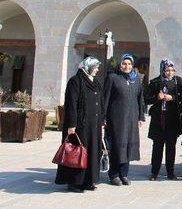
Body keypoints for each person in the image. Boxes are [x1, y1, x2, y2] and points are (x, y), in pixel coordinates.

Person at [55, 57, 103, 193]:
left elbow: (101, 103)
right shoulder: (75, 81)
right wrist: (71, 124)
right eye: (95, 67)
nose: (97, 70)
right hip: (79, 126)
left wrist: (102, 121)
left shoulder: (95, 83)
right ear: (87, 67)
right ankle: (74, 183)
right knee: (77, 153)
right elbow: (71, 104)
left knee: (92, 152)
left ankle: (88, 181)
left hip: (93, 126)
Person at [103, 54, 145, 186]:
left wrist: (141, 117)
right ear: (120, 64)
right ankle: (114, 175)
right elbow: (106, 99)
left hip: (132, 119)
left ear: (133, 66)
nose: (127, 66)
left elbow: (140, 99)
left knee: (128, 146)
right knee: (117, 147)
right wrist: (103, 118)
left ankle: (124, 174)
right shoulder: (113, 77)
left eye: (129, 64)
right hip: (116, 119)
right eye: (124, 64)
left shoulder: (136, 79)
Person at [144, 58, 182, 181]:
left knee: (171, 146)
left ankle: (170, 172)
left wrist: (172, 97)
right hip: (159, 119)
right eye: (167, 70)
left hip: (172, 119)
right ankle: (154, 172)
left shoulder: (178, 82)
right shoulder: (155, 82)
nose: (170, 73)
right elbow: (146, 99)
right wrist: (157, 97)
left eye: (172, 70)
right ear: (162, 70)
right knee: (157, 146)